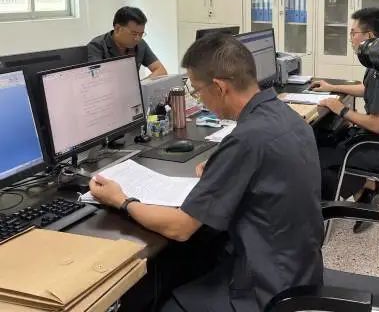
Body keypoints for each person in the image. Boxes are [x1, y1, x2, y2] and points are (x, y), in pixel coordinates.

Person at [88, 34, 324, 312]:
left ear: (220, 87)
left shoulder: (248, 139)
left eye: (197, 91)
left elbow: (180, 228)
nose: (199, 99)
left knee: (157, 299)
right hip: (298, 268)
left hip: (266, 288)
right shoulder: (285, 116)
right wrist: (221, 171)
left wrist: (121, 200)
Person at [311, 7, 379, 233]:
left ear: (369, 36)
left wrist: (341, 110)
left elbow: (377, 124)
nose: (350, 38)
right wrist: (332, 87)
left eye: (353, 32)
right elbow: (367, 89)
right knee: (329, 136)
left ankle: (323, 217)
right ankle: (367, 191)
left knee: (316, 153)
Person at [88, 6, 167, 77]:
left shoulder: (140, 43)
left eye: (141, 34)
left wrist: (140, 85)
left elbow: (160, 70)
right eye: (134, 34)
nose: (137, 38)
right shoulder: (96, 46)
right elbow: (95, 79)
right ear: (117, 29)